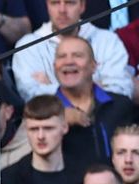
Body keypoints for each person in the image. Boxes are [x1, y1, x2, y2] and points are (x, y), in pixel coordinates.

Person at [11, 0, 130, 102]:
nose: (62, 10)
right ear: (47, 6)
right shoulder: (28, 46)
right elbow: (31, 96)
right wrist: (96, 86)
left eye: (69, 2)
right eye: (55, 3)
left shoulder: (108, 41)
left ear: (82, 6)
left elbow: (120, 91)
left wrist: (51, 87)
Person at [54, 36, 134, 165]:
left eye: (77, 55)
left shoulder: (122, 106)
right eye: (62, 56)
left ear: (93, 66)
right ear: (54, 66)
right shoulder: (42, 112)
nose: (68, 61)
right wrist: (56, 121)